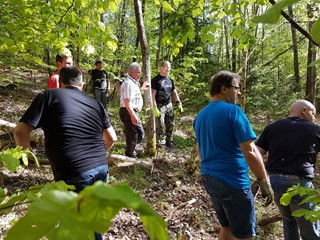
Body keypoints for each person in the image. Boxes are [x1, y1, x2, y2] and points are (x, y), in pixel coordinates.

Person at [14, 65, 117, 240]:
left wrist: (26, 158)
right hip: (101, 169)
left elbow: (19, 132)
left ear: (60, 82)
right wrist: (93, 159)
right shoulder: (96, 103)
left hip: (74, 173)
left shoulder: (48, 96)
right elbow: (112, 138)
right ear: (82, 84)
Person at [193, 70, 273, 240]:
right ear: (224, 89)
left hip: (209, 178)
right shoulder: (233, 111)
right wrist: (263, 180)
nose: (239, 92)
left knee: (227, 228)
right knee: (244, 236)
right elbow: (250, 151)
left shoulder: (201, 115)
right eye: (236, 88)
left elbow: (199, 149)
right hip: (233, 181)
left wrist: (209, 169)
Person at [256, 99, 320, 240]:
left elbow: (257, 152)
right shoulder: (314, 130)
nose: (314, 118)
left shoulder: (272, 127)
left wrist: (263, 175)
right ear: (304, 111)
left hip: (275, 180)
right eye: (313, 113)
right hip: (298, 182)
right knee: (309, 226)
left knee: (289, 221)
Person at [151, 61, 183, 147]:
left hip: (169, 105)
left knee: (170, 125)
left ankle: (169, 142)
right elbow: (152, 95)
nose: (168, 69)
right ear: (162, 67)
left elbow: (174, 92)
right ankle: (160, 144)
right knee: (160, 126)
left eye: (169, 68)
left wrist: (178, 102)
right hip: (159, 106)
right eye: (167, 67)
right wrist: (154, 107)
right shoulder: (155, 80)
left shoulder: (170, 80)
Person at [119, 62, 145, 158]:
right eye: (138, 72)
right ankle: (130, 154)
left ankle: (131, 150)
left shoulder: (132, 83)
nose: (140, 74)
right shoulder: (129, 83)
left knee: (138, 133)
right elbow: (127, 101)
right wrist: (133, 115)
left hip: (130, 111)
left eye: (140, 72)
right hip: (128, 111)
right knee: (134, 134)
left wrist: (142, 88)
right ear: (131, 72)